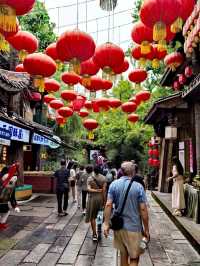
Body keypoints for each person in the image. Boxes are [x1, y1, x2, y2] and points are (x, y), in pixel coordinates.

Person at [104, 161, 150, 266]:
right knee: (134, 258)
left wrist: (106, 223)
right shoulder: (138, 187)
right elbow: (143, 210)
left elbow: (108, 204)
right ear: (133, 172)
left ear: (121, 171)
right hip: (133, 227)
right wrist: (146, 229)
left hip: (118, 227)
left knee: (123, 255)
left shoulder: (114, 185)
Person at [85, 165, 107, 241]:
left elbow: (88, 189)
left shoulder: (90, 178)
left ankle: (94, 234)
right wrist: (104, 201)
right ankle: (99, 230)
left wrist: (95, 191)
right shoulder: (104, 178)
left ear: (93, 170)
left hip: (92, 199)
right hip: (100, 198)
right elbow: (104, 191)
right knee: (99, 215)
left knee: (92, 217)